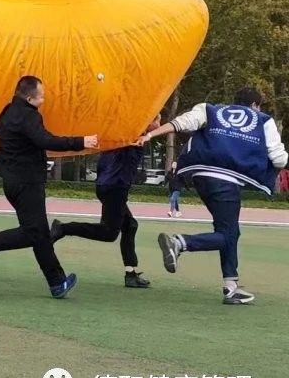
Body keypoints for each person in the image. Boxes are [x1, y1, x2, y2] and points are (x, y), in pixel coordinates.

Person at [140, 87, 287, 305]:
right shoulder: (264, 120)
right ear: (255, 105)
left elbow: (182, 123)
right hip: (227, 181)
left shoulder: (211, 110)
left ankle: (231, 286)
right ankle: (179, 243)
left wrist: (150, 134)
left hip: (199, 176)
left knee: (229, 231)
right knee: (228, 236)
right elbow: (279, 159)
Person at [0, 76, 97, 298]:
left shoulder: (8, 111)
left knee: (40, 234)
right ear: (29, 98)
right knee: (34, 233)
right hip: (27, 182)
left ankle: (57, 283)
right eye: (41, 96)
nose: (44, 100)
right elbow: (46, 140)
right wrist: (81, 142)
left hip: (12, 181)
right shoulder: (29, 116)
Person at [50, 116, 161, 289]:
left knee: (130, 225)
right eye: (157, 119)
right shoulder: (132, 137)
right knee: (109, 233)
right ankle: (63, 228)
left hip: (107, 185)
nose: (159, 124)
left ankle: (131, 273)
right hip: (115, 188)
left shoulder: (118, 136)